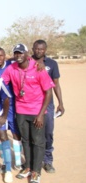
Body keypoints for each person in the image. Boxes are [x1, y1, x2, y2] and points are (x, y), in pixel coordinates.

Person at [1, 44, 55, 183]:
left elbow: (48, 92)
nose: (18, 55)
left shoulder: (38, 68)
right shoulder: (11, 68)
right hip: (21, 111)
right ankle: (28, 167)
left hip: (37, 111)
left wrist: (41, 114)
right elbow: (1, 82)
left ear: (27, 54)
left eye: (21, 53)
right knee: (26, 140)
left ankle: (36, 171)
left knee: (38, 141)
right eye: (16, 53)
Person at [32, 39, 65, 173]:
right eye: (37, 48)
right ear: (32, 49)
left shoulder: (52, 64)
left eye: (42, 49)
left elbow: (56, 84)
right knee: (32, 133)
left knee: (48, 133)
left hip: (48, 105)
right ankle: (33, 160)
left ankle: (47, 161)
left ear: (45, 50)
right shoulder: (27, 62)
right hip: (32, 104)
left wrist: (61, 103)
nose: (39, 51)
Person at [0, 47, 23, 170]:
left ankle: (18, 162)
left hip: (12, 104)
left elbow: (23, 58)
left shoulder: (11, 64)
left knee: (15, 133)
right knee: (1, 133)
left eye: (1, 55)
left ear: (5, 56)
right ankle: (5, 161)